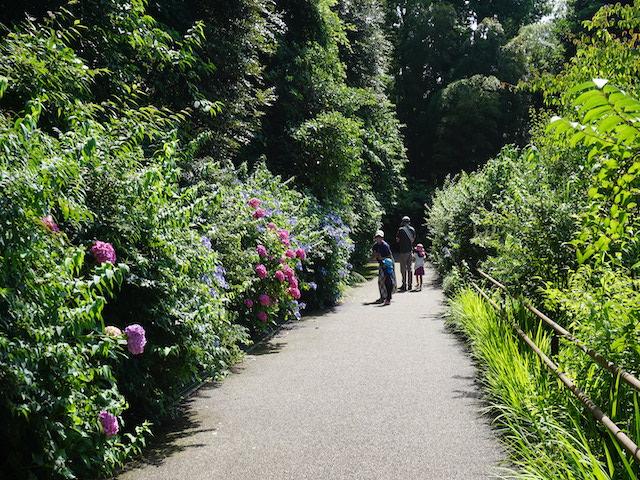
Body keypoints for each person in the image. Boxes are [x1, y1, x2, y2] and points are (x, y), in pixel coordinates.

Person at [372, 230, 394, 304]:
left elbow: (389, 256)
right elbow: (374, 256)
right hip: (381, 264)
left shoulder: (385, 246)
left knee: (388, 280)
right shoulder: (375, 246)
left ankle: (388, 298)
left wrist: (381, 258)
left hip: (388, 264)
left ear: (382, 238)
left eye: (380, 237)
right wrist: (377, 257)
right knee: (381, 281)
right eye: (377, 237)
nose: (378, 239)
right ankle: (383, 296)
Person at [395, 216, 416, 291]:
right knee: (409, 268)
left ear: (403, 222)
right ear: (409, 222)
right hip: (410, 251)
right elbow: (413, 240)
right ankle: (410, 285)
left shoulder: (400, 230)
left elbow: (397, 240)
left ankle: (404, 285)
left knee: (403, 269)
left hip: (403, 252)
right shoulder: (412, 229)